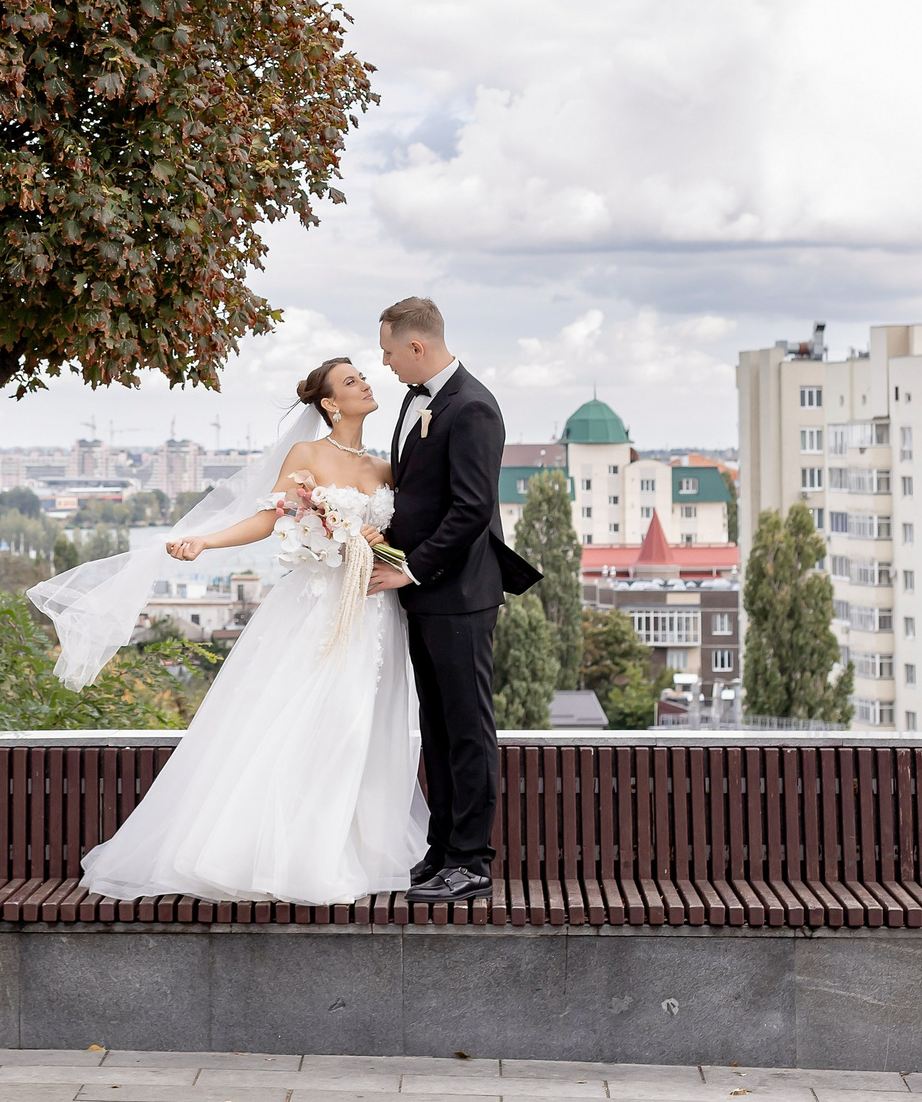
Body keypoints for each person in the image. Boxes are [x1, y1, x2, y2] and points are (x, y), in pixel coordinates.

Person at [27, 358, 425, 904]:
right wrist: (205, 542)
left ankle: (347, 849)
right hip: (315, 608)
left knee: (363, 727)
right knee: (311, 722)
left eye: (363, 378)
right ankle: (284, 855)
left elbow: (404, 530)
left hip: (373, 612)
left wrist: (381, 546)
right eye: (352, 381)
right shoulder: (306, 457)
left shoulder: (386, 470)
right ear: (330, 403)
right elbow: (268, 519)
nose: (365, 384)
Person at [365, 296, 540, 904]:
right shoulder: (421, 402)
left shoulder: (472, 407)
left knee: (468, 731)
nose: (384, 364)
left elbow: (472, 510)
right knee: (436, 730)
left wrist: (410, 569)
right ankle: (441, 850)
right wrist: (380, 547)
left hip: (460, 596)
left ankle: (471, 859)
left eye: (388, 352)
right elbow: (419, 501)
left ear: (417, 346)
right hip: (425, 596)